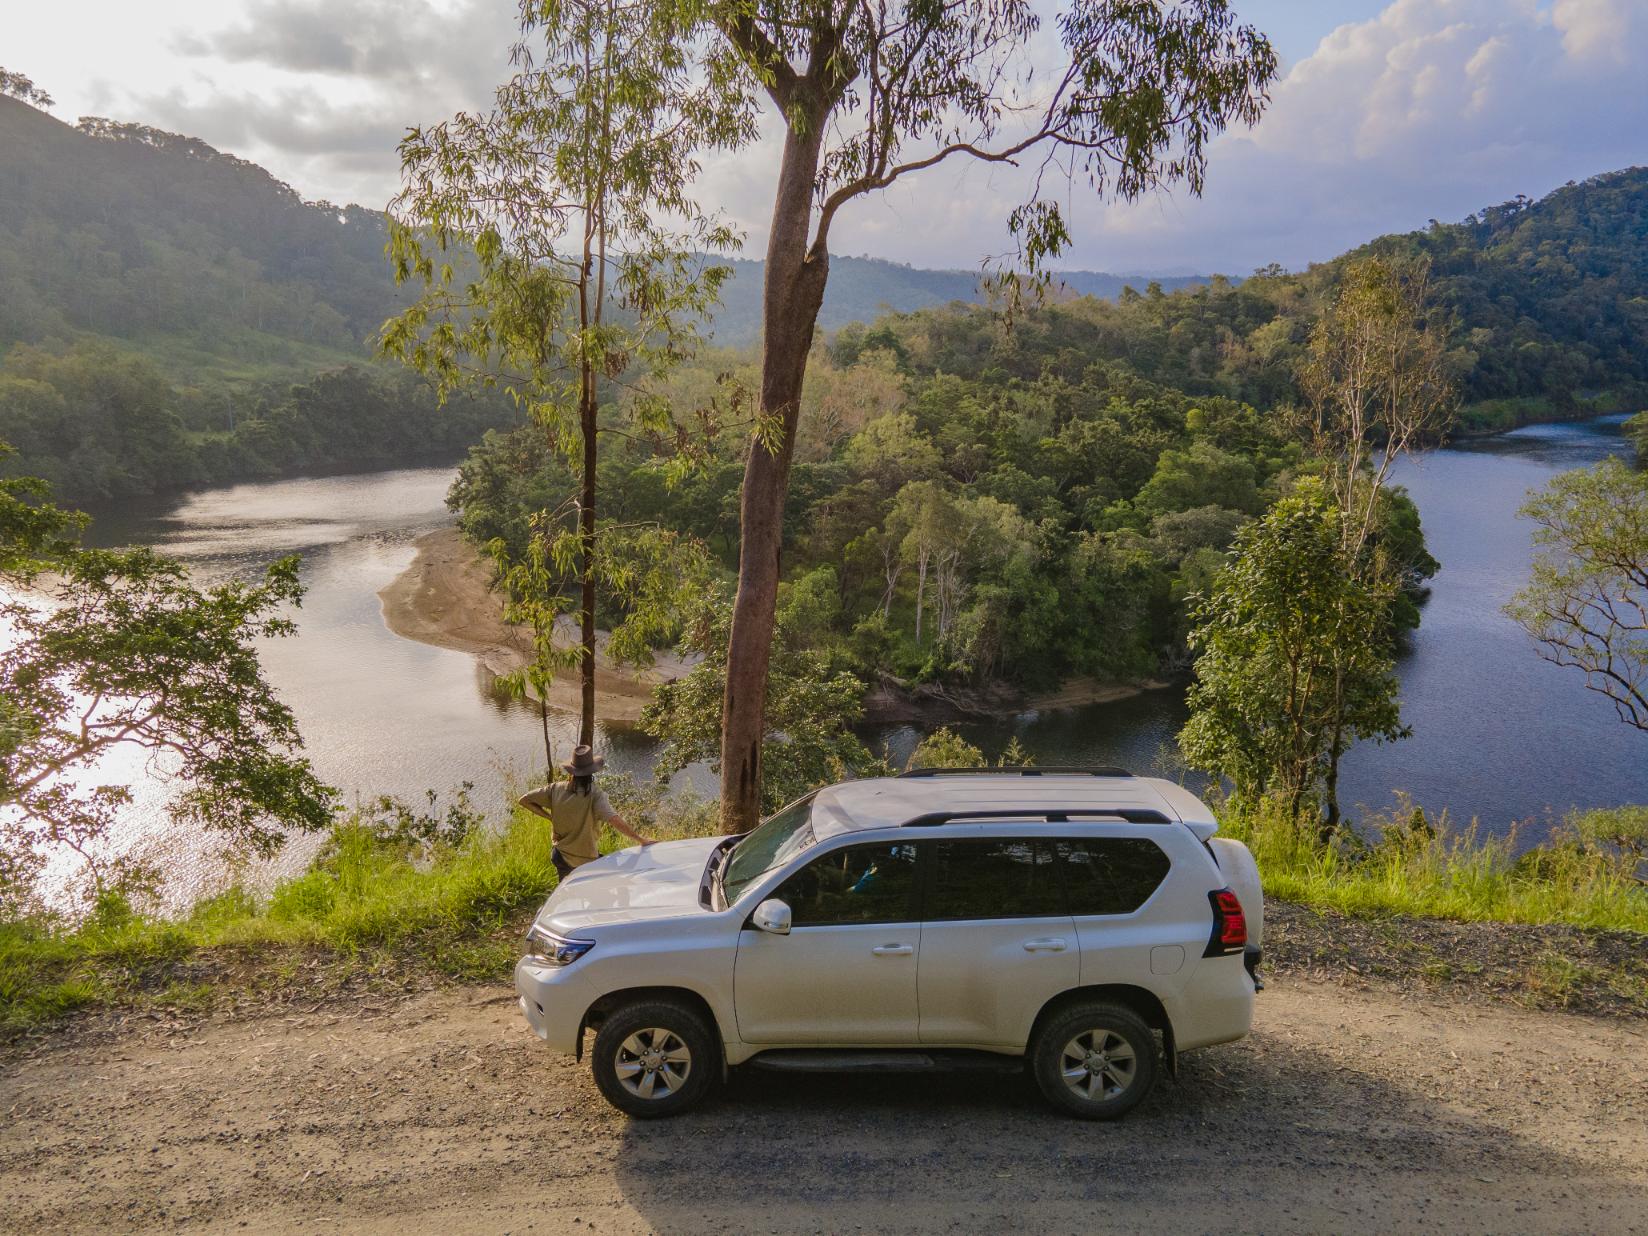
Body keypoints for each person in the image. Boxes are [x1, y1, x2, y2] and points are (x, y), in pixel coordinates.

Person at [518, 744, 653, 881]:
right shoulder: (595, 795)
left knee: (567, 890)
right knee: (608, 885)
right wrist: (641, 840)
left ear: (571, 771)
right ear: (591, 772)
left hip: (561, 856)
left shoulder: (555, 789)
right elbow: (614, 819)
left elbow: (524, 800)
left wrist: (550, 817)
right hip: (586, 861)